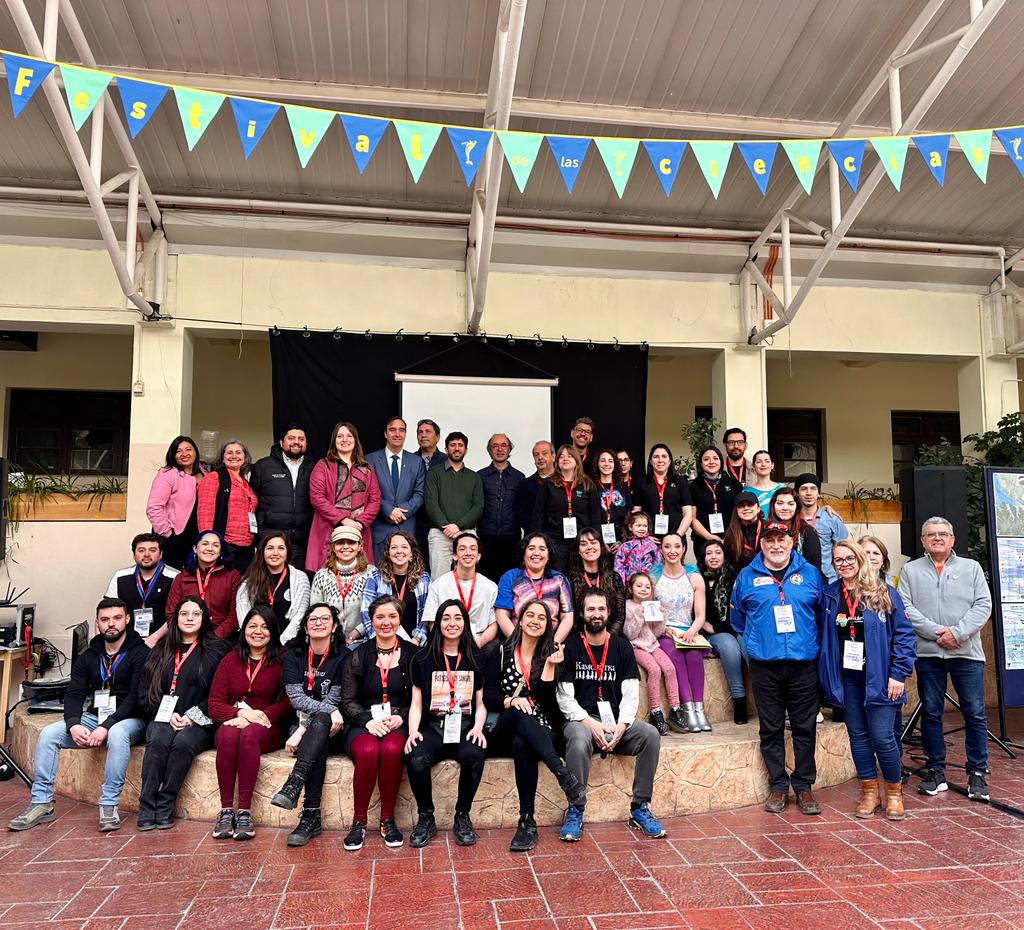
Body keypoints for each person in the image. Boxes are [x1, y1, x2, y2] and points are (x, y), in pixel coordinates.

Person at [9, 598, 148, 833]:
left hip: (130, 718)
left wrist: (106, 726)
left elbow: (136, 697)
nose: (111, 624)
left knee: (116, 734)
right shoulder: (89, 655)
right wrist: (73, 724)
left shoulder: (141, 653)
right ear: (97, 624)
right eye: (105, 620)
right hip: (95, 717)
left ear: (127, 620)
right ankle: (41, 803)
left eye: (116, 618)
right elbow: (74, 693)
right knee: (50, 734)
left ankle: (108, 804)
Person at [729, 521, 826, 815]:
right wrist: (762, 641)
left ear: (791, 541)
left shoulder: (810, 574)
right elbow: (738, 620)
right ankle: (778, 786)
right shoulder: (746, 577)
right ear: (762, 545)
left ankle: (804, 787)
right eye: (769, 540)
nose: (776, 545)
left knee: (804, 727)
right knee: (770, 728)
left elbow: (821, 616)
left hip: (803, 664)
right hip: (765, 666)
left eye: (781, 539)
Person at [557, 589, 666, 842]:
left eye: (601, 609)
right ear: (582, 613)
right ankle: (575, 808)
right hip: (581, 720)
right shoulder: (571, 646)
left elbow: (630, 693)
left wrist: (622, 725)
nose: (596, 614)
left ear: (608, 613)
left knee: (650, 735)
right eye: (591, 609)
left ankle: (640, 808)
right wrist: (589, 722)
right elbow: (564, 696)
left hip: (614, 721)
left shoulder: (621, 646)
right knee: (577, 736)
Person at [898, 517, 993, 802]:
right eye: (931, 534)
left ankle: (977, 773)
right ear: (923, 541)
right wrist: (938, 633)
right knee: (931, 713)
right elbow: (906, 608)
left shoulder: (971, 568)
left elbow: (983, 604)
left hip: (967, 653)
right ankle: (936, 771)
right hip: (929, 654)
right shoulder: (910, 570)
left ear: (952, 540)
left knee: (975, 713)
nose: (937, 538)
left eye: (943, 534)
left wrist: (958, 633)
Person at [819, 541, 916, 821]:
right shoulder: (830, 596)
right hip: (847, 679)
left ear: (860, 559)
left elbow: (905, 636)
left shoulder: (884, 593)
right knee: (858, 738)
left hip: (881, 679)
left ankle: (894, 794)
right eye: (838, 560)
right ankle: (870, 794)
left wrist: (898, 674)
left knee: (883, 738)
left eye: (850, 558)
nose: (844, 564)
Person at [484, 600, 585, 851]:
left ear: (548, 625)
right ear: (519, 619)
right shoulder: (499, 651)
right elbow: (490, 697)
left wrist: (550, 667)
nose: (535, 621)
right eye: (530, 615)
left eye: (542, 617)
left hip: (541, 730)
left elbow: (550, 707)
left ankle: (526, 822)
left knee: (524, 742)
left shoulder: (552, 655)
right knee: (520, 714)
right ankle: (561, 772)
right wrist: (512, 700)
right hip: (505, 726)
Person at [136, 595, 231, 830]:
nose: (189, 618)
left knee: (183, 743)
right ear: (174, 619)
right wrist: (166, 715)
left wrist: (192, 716)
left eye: (196, 614)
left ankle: (166, 804)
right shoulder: (160, 650)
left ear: (205, 618)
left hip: (200, 721)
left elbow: (221, 694)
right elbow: (146, 690)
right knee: (158, 740)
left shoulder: (217, 651)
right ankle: (147, 806)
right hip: (163, 716)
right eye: (184, 614)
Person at [405, 600, 488, 848]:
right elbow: (417, 703)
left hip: (464, 726)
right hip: (433, 727)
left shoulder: (476, 657)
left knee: (475, 754)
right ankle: (426, 816)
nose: (452, 623)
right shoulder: (423, 658)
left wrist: (478, 728)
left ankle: (462, 816)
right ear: (438, 623)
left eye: (457, 618)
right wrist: (412, 732)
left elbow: (482, 703)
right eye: (446, 618)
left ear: (465, 623)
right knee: (416, 756)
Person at [340, 595, 418, 851]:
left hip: (398, 721)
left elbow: (420, 697)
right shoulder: (358, 654)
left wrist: (402, 716)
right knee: (369, 750)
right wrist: (367, 720)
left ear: (399, 619)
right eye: (380, 617)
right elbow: (348, 699)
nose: (386, 622)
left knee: (392, 749)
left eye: (392, 616)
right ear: (371, 621)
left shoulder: (413, 654)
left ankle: (387, 820)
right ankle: (359, 821)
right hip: (363, 722)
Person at [208, 606, 292, 840]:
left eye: (265, 627)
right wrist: (241, 714)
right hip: (235, 720)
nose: (258, 631)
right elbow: (214, 704)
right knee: (226, 736)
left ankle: (244, 811)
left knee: (248, 736)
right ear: (244, 629)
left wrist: (259, 716)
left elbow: (288, 703)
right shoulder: (230, 660)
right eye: (252, 626)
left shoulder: (283, 660)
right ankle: (226, 811)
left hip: (269, 725)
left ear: (273, 631)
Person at [271, 603, 348, 847]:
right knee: (320, 729)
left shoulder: (343, 656)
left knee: (321, 724)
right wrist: (308, 724)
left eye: (325, 619)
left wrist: (304, 728)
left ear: (334, 626)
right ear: (305, 626)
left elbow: (334, 698)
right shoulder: (293, 654)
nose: (318, 623)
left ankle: (296, 783)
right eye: (312, 619)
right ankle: (310, 816)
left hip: (333, 730)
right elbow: (296, 699)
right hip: (312, 727)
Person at [655, 533, 712, 732]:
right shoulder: (654, 576)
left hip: (689, 629)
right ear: (661, 549)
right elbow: (650, 612)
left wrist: (691, 632)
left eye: (677, 546)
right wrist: (664, 629)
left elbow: (700, 614)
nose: (672, 551)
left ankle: (699, 708)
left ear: (683, 549)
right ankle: (687, 709)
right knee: (675, 655)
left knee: (695, 655)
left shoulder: (694, 576)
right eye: (667, 546)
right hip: (664, 631)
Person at [307, 421, 381, 570]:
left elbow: (375, 499)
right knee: (329, 576)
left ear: (355, 440)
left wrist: (360, 523)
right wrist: (343, 520)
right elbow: (317, 497)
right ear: (334, 441)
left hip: (359, 530)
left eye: (349, 435)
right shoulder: (323, 465)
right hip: (329, 530)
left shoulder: (367, 468)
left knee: (360, 577)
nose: (345, 439)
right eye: (340, 436)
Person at [623, 572, 687, 735]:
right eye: (639, 586)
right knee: (654, 670)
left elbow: (656, 632)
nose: (643, 589)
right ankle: (655, 711)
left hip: (652, 644)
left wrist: (661, 617)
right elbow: (630, 634)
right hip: (636, 646)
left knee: (670, 668)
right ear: (631, 588)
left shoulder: (651, 605)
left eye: (647, 587)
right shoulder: (628, 606)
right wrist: (639, 616)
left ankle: (675, 708)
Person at [249, 423, 315, 571]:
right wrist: (258, 535)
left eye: (301, 438)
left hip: (303, 542)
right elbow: (252, 502)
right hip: (271, 542)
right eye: (291, 438)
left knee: (299, 587)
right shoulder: (263, 466)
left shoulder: (316, 467)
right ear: (281, 442)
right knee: (269, 588)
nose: (296, 442)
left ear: (306, 443)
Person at [424, 431, 484, 581]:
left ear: (466, 450)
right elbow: (431, 503)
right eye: (452, 445)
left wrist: (458, 526)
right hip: (439, 533)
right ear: (446, 449)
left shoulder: (474, 477)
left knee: (467, 578)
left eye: (460, 445)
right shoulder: (434, 473)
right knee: (439, 580)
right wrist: (446, 526)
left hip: (466, 532)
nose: (456, 448)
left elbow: (478, 507)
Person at [699, 540, 748, 724]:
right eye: (709, 553)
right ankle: (739, 702)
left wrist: (722, 626)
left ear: (724, 556)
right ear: (703, 558)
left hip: (737, 626)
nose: (713, 557)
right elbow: (698, 613)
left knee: (746, 646)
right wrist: (711, 628)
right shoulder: (699, 579)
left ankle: (766, 698)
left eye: (717, 552)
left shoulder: (735, 577)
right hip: (713, 631)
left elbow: (742, 609)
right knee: (729, 647)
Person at [532, 445, 601, 573]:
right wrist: (539, 542)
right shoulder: (548, 484)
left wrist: (595, 542)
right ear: (557, 461)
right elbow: (538, 515)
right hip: (555, 541)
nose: (565, 458)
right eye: (561, 456)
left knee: (580, 578)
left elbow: (595, 516)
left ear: (576, 460)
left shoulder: (587, 484)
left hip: (582, 541)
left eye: (569, 456)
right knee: (558, 578)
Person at [367, 416, 426, 564]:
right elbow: (367, 492)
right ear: (386, 434)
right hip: (380, 530)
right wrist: (388, 510)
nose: (397, 434)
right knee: (379, 577)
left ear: (406, 434)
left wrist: (402, 510)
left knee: (406, 579)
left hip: (406, 529)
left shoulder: (416, 462)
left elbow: (420, 494)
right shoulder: (370, 460)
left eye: (401, 430)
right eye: (392, 430)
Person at [423, 532, 498, 648]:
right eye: (462, 549)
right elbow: (432, 621)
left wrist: (479, 643)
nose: (468, 553)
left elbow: (493, 624)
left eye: (473, 549)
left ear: (478, 556)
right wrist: (447, 644)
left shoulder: (490, 587)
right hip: (447, 641)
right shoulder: (438, 585)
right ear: (454, 555)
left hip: (478, 642)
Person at [495, 533, 575, 642]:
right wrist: (518, 644)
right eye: (531, 548)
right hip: (517, 640)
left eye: (542, 549)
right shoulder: (510, 577)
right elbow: (501, 616)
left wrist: (554, 645)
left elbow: (567, 617)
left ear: (549, 556)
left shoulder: (559, 579)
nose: (536, 553)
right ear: (524, 554)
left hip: (550, 642)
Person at [236, 530, 311, 645]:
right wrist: (256, 641)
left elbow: (299, 618)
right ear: (262, 552)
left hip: (287, 644)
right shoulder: (248, 580)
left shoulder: (300, 578)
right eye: (270, 548)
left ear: (287, 552)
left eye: (281, 548)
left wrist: (278, 645)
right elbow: (243, 615)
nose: (275, 553)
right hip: (254, 642)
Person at [105, 532, 180, 647]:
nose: (146, 554)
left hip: (164, 642)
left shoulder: (175, 577)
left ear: (161, 554)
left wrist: (154, 638)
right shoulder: (120, 576)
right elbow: (107, 610)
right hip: (125, 641)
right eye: (141, 550)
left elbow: (178, 614)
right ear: (134, 554)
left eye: (153, 550)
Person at [166, 531, 241, 641]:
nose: (210, 548)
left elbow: (234, 616)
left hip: (220, 639)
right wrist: (187, 637)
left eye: (215, 545)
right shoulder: (181, 577)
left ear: (220, 551)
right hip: (186, 638)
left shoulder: (232, 576)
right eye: (205, 544)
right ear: (195, 549)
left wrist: (213, 638)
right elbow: (171, 613)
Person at [197, 438, 258, 572]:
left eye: (238, 452)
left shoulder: (245, 481)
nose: (234, 456)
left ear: (245, 457)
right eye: (229, 453)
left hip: (246, 545)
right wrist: (208, 544)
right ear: (222, 458)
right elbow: (205, 513)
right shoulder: (214, 478)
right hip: (224, 544)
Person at [361, 530, 432, 645]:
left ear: (412, 554)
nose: (399, 551)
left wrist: (417, 639)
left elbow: (427, 614)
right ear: (388, 554)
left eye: (404, 547)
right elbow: (365, 612)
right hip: (380, 641)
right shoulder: (375, 578)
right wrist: (381, 639)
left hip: (413, 643)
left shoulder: (424, 579)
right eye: (394, 547)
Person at [310, 524, 376, 646]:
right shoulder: (321, 575)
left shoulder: (372, 574)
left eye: (351, 542)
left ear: (360, 546)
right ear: (333, 547)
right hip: (330, 641)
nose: (345, 547)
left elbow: (376, 611)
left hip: (363, 641)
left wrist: (355, 634)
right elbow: (315, 612)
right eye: (340, 543)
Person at [146, 435, 206, 569]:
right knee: (171, 578)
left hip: (197, 535)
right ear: (173, 455)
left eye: (188, 449)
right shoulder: (168, 474)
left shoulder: (203, 473)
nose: (184, 454)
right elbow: (154, 507)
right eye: (179, 451)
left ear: (195, 451)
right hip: (175, 536)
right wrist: (168, 534)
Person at [477, 433, 526, 579]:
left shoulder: (519, 477)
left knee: (510, 579)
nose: (500, 449)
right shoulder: (480, 476)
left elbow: (521, 507)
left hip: (511, 538)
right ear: (489, 450)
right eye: (495, 446)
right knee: (486, 578)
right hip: (486, 537)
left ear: (509, 449)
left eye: (504, 445)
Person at [568, 529, 626, 635]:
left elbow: (620, 615)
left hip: (611, 637)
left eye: (593, 542)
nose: (589, 547)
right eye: (583, 544)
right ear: (578, 550)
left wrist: (608, 638)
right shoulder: (570, 580)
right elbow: (570, 618)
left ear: (601, 547)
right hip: (581, 638)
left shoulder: (614, 578)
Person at [689, 446, 743, 561]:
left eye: (715, 458)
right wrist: (709, 537)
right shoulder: (693, 487)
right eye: (706, 459)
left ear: (721, 461)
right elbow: (692, 518)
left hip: (731, 538)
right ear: (701, 463)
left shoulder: (734, 484)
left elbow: (740, 513)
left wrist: (730, 536)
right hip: (703, 540)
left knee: (730, 574)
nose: (711, 462)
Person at [796, 473, 848, 584]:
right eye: (804, 489)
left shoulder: (832, 519)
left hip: (828, 580)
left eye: (813, 489)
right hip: (798, 579)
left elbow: (844, 551)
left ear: (818, 493)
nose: (809, 493)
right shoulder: (791, 519)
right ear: (796, 493)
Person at [634, 444, 693, 541]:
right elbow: (636, 512)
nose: (660, 460)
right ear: (651, 461)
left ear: (669, 461)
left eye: (664, 456)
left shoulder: (680, 481)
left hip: (676, 538)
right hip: (648, 539)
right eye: (656, 457)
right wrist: (645, 537)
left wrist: (677, 536)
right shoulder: (641, 481)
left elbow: (688, 513)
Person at [768, 486, 823, 574]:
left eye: (790, 504)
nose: (785, 508)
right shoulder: (766, 530)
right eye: (780, 503)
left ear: (797, 507)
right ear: (773, 506)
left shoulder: (806, 532)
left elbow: (814, 568)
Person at [414, 418, 447, 556]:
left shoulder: (447, 461)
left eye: (428, 431)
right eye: (420, 432)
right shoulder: (410, 459)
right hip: (415, 523)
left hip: (440, 525)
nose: (423, 435)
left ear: (437, 437)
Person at [592, 448, 632, 547]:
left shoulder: (623, 486)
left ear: (615, 464)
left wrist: (622, 542)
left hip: (622, 540)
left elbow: (629, 514)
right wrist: (600, 542)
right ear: (597, 464)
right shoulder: (592, 487)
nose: (606, 464)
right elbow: (591, 517)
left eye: (610, 461)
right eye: (602, 461)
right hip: (598, 539)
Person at [613, 511, 664, 583]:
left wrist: (654, 580)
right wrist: (621, 583)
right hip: (630, 583)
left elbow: (658, 563)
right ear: (630, 527)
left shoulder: (652, 545)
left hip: (648, 582)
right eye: (638, 526)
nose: (642, 529)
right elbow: (618, 565)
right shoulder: (625, 546)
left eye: (645, 526)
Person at [518, 440, 556, 535]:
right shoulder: (526, 484)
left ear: (553, 457)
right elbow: (521, 512)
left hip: (558, 537)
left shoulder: (563, 481)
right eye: (536, 455)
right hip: (533, 535)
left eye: (544, 454)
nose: (540, 457)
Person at [723, 491, 763, 569]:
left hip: (766, 575)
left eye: (750, 505)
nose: (746, 508)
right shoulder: (731, 532)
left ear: (758, 509)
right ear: (736, 510)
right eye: (741, 506)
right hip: (740, 575)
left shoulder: (768, 528)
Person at [744, 450, 785, 517]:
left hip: (779, 526)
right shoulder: (747, 492)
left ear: (772, 465)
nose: (763, 464)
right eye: (759, 462)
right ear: (753, 466)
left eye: (767, 461)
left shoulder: (782, 489)